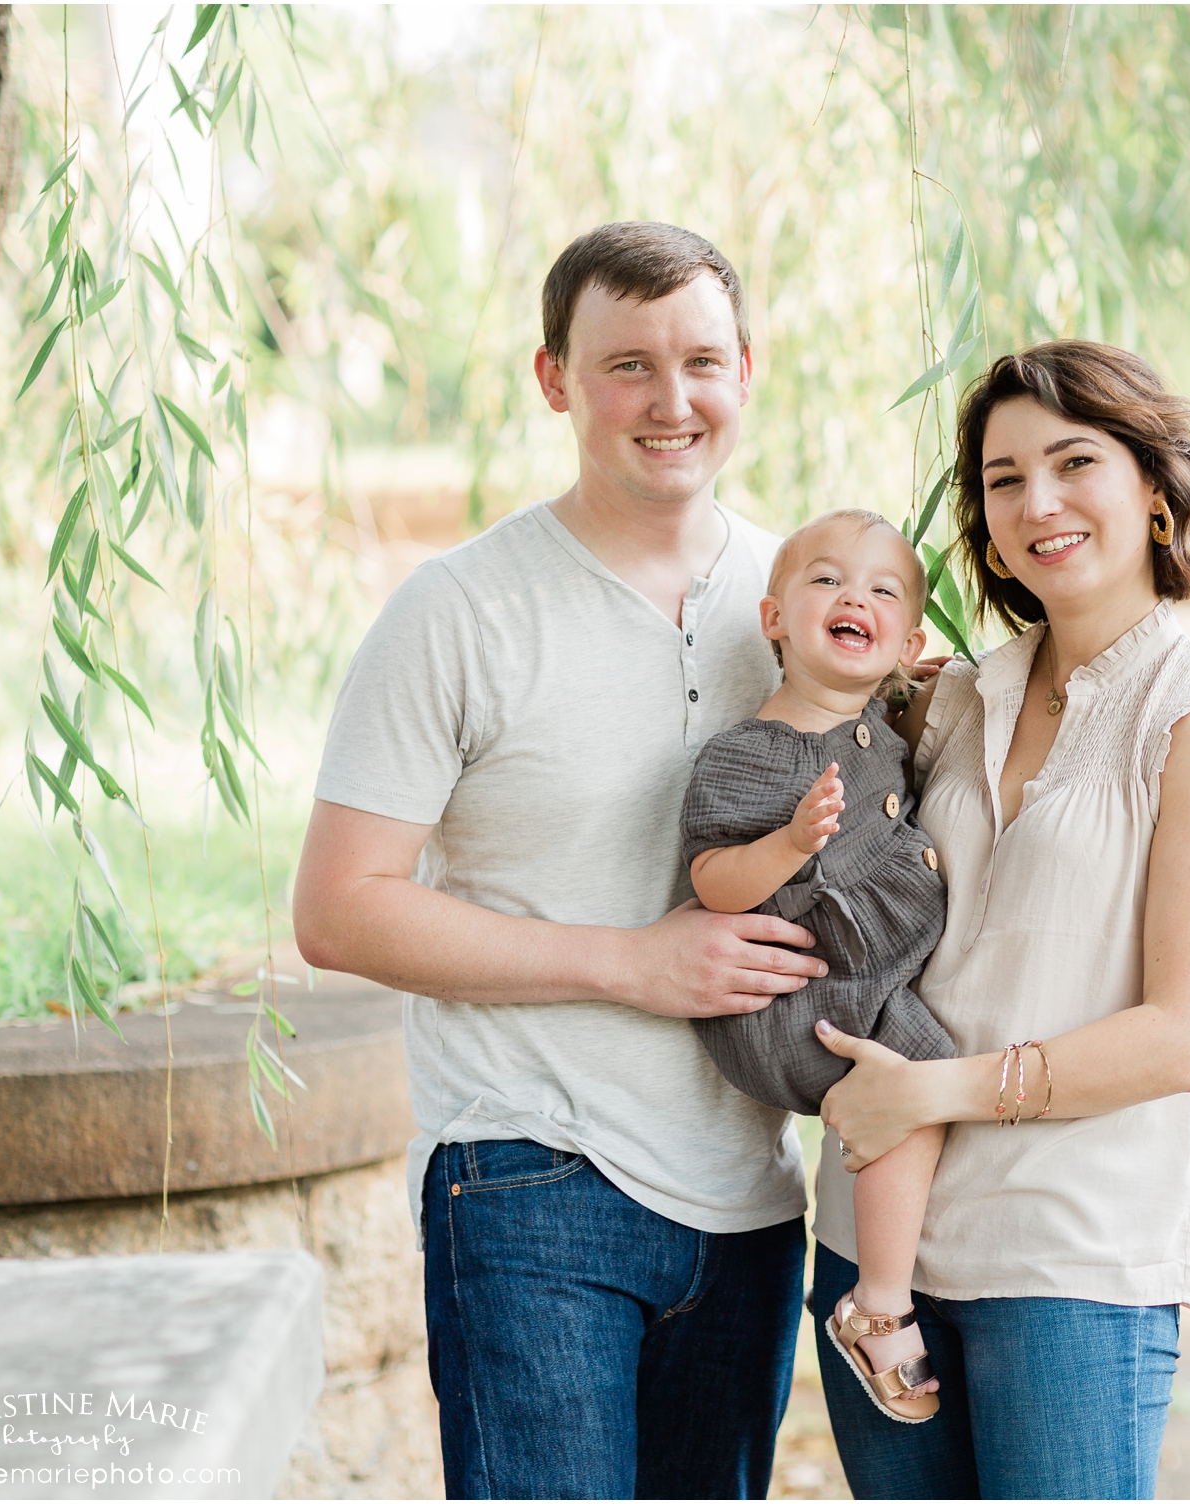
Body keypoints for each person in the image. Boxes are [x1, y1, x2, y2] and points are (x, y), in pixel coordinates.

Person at [291, 222, 826, 1500]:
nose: (670, 399)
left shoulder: (802, 601)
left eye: (700, 359)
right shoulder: (459, 611)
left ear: (746, 368)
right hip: (529, 1176)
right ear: (554, 380)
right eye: (625, 363)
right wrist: (631, 964)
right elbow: (337, 909)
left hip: (749, 1191)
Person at [809, 340, 1190, 1499]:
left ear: (1155, 494)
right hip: (878, 1248)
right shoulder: (952, 695)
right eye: (1002, 477)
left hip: (1071, 1254)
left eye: (1075, 462)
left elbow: (1182, 1034)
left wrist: (934, 1089)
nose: (1037, 503)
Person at [680, 509, 955, 1425]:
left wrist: (926, 689)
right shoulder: (751, 753)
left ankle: (883, 1292)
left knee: (921, 1091)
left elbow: (896, 709)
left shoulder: (883, 719)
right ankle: (879, 1304)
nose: (855, 598)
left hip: (852, 984)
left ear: (909, 642)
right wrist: (790, 845)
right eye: (828, 580)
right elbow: (715, 881)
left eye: (882, 591)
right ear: (773, 618)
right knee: (915, 1083)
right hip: (798, 1003)